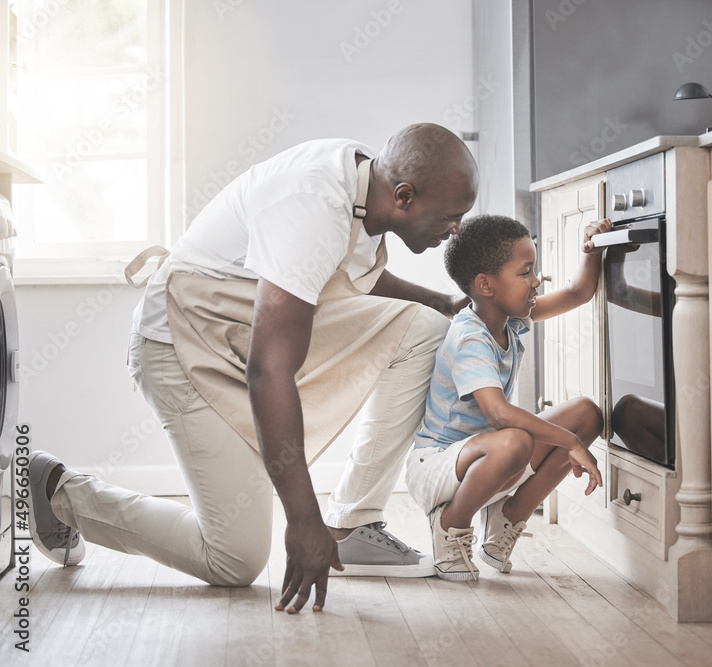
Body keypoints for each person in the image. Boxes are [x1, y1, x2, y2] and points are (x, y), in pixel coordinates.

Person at [25, 123, 479, 614]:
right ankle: (56, 489)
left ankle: (351, 524)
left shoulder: (369, 183)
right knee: (235, 559)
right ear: (405, 197)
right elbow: (268, 371)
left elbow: (350, 271)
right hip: (181, 344)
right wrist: (302, 519)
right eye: (452, 217)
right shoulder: (314, 206)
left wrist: (438, 300)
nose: (455, 230)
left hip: (241, 334)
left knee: (426, 328)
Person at [404, 213, 610, 580]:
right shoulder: (471, 337)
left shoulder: (508, 319)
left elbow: (579, 293)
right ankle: (450, 525)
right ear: (486, 285)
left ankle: (507, 517)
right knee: (514, 439)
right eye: (525, 272)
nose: (536, 281)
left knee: (586, 414)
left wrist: (591, 249)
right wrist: (569, 442)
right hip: (437, 465)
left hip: (491, 458)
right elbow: (498, 414)